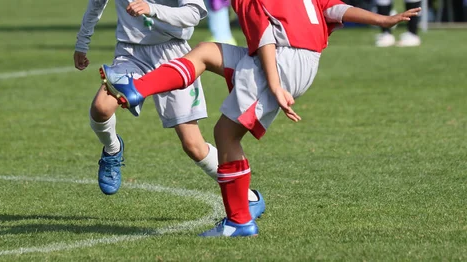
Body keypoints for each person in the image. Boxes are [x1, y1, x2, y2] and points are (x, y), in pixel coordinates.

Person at [99, 0, 420, 237]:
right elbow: (333, 9)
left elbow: (264, 35)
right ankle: (137, 89)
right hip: (302, 58)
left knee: (226, 134)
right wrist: (382, 20)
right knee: (206, 52)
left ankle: (239, 220)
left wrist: (276, 85)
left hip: (280, 58)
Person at [74, 0, 265, 219]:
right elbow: (96, 4)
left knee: (193, 145)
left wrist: (152, 9)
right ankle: (113, 149)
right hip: (130, 54)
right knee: (101, 107)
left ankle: (250, 198)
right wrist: (82, 43)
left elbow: (194, 14)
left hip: (174, 55)